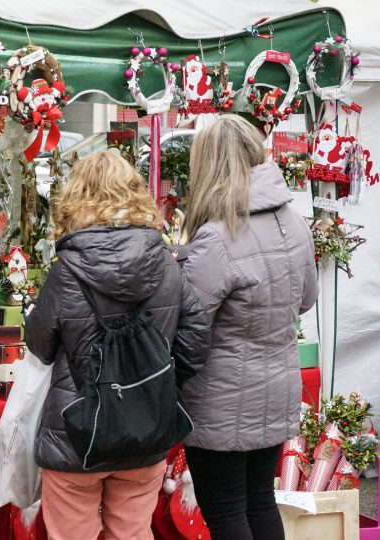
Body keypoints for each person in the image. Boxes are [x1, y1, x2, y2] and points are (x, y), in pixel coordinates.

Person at [25, 150, 211, 540]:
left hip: (75, 432)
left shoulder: (66, 271)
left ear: (76, 196)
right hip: (146, 427)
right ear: (135, 193)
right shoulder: (166, 262)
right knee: (132, 534)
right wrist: (159, 375)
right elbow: (196, 335)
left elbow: (40, 345)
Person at [181, 115, 318, 540]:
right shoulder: (293, 221)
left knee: (225, 512)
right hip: (277, 386)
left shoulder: (218, 237)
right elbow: (306, 300)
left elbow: (188, 323)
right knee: (259, 501)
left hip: (220, 398)